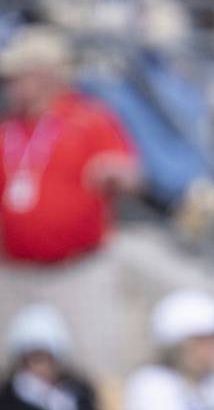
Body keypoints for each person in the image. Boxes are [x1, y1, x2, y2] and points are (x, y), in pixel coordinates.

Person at [0, 24, 140, 264]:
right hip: (14, 268)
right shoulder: (8, 128)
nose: (10, 85)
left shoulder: (89, 119)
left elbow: (130, 175)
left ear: (44, 76)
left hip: (79, 268)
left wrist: (116, 173)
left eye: (18, 77)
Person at [0, 303, 111, 410]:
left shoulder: (76, 392)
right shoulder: (10, 400)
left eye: (45, 358)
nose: (40, 366)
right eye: (34, 358)